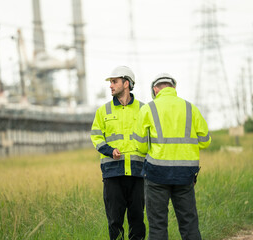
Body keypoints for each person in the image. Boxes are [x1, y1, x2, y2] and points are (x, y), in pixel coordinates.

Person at [132, 73, 211, 240]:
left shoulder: (148, 109)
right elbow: (205, 141)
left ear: (155, 90)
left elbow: (139, 146)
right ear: (173, 88)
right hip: (185, 175)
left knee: (158, 225)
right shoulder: (190, 108)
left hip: (156, 175)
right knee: (189, 223)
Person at [90, 66, 146, 240]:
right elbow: (96, 136)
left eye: (114, 82)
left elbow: (151, 138)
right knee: (115, 220)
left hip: (138, 173)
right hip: (113, 173)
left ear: (126, 83)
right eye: (111, 82)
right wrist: (108, 151)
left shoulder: (144, 110)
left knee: (137, 219)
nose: (111, 86)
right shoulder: (103, 111)